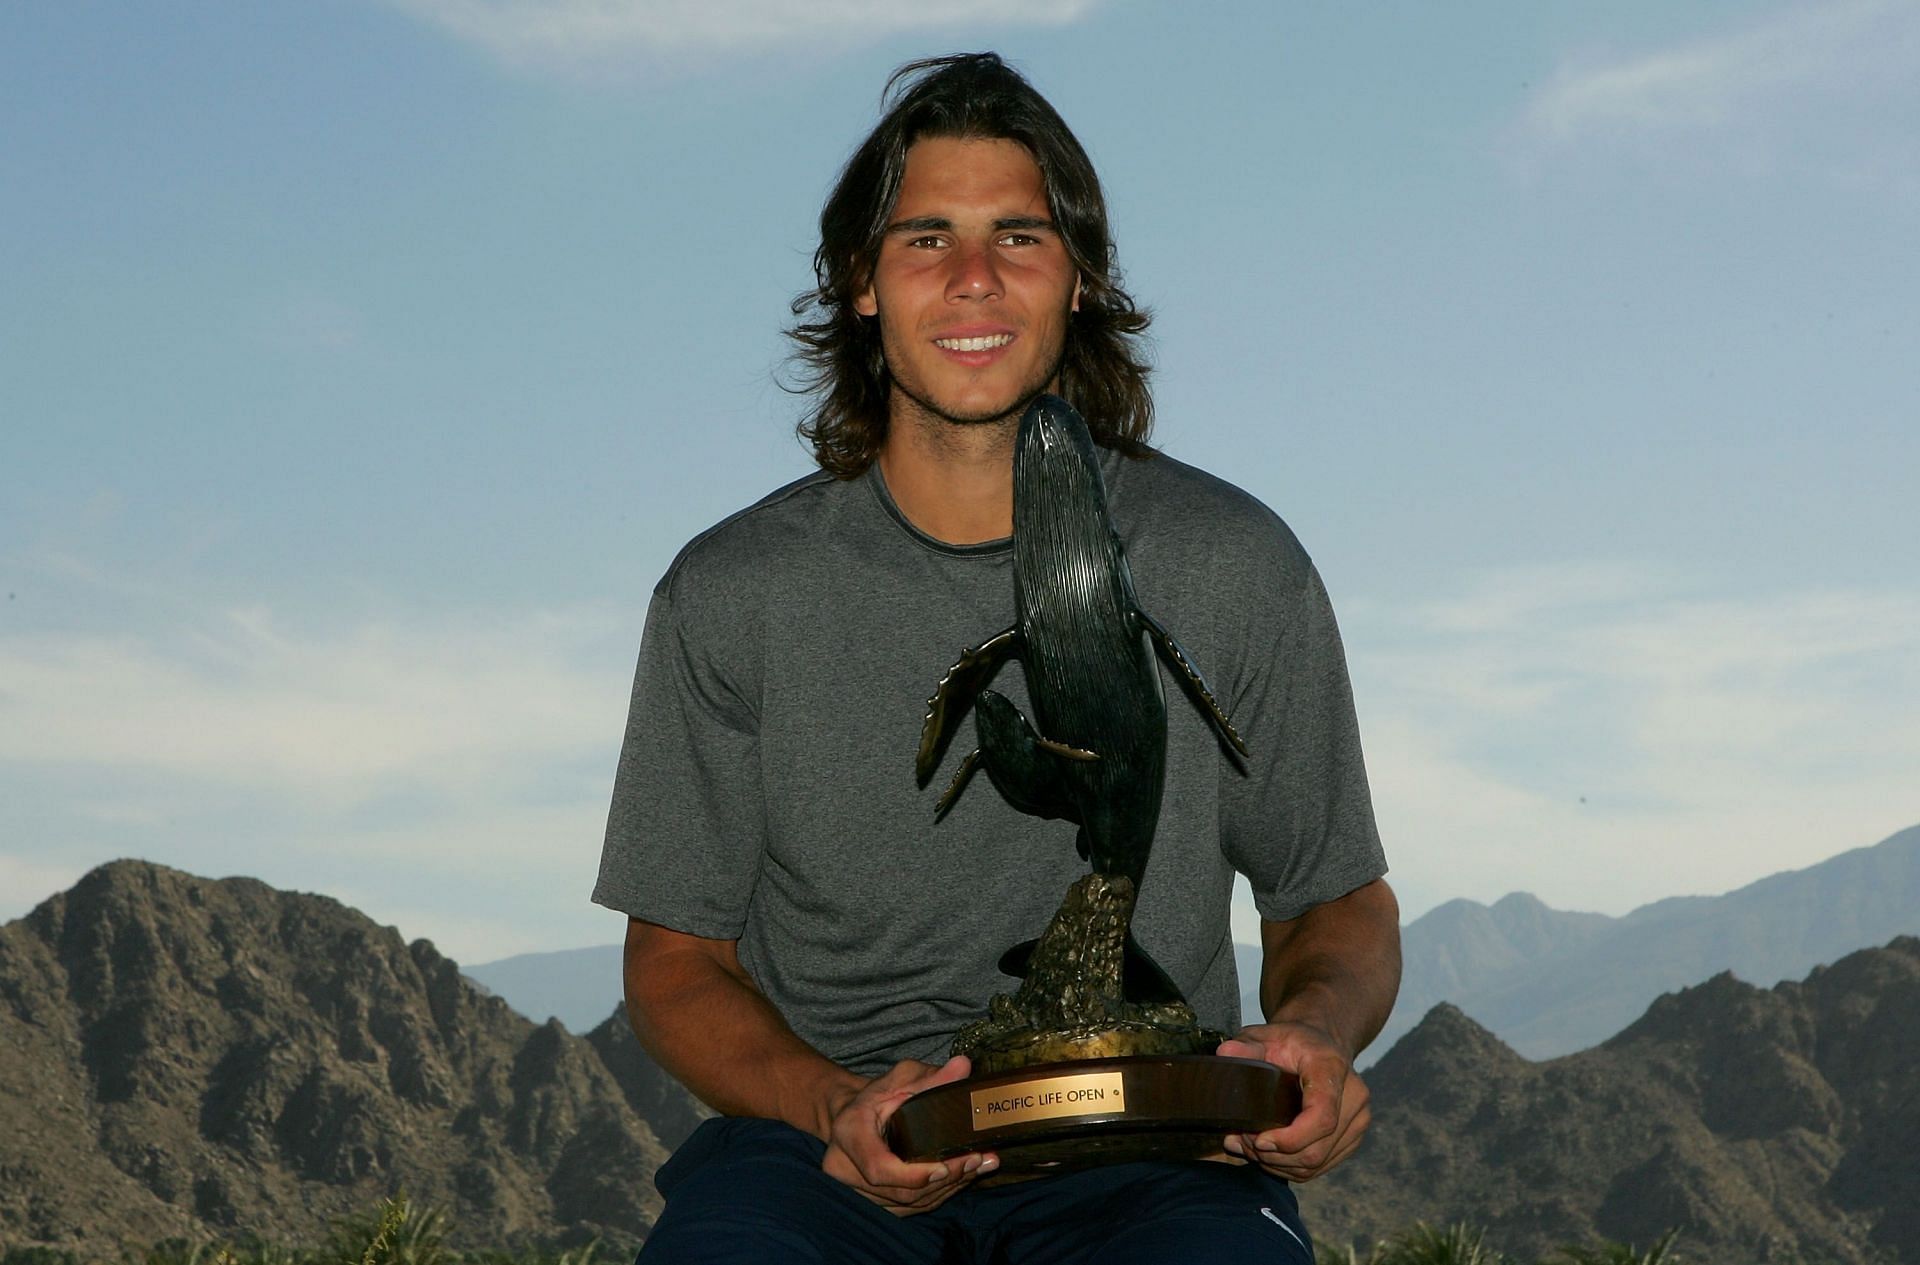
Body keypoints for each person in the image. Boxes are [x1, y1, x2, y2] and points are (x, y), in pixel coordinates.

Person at [592, 52, 1400, 1264]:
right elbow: (674, 959)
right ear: (861, 284)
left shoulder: (1239, 562)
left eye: (1019, 237)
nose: (974, 277)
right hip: (824, 1158)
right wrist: (832, 1106)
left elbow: (1332, 900)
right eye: (927, 239)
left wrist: (1319, 1036)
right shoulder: (730, 592)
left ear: (1079, 280)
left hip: (1153, 1148)